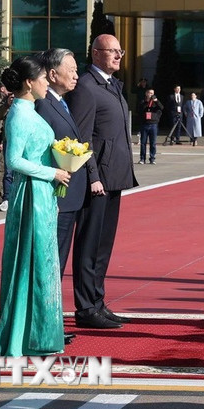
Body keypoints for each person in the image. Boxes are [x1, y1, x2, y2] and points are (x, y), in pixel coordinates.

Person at [0, 56, 71, 357]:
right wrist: (53, 172)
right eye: (43, 79)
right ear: (28, 82)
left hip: (42, 195)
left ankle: (39, 335)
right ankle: (24, 337)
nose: (47, 82)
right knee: (29, 264)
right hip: (31, 195)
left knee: (41, 264)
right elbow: (14, 161)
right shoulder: (19, 115)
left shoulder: (29, 110)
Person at [66, 34, 137, 330]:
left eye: (120, 50)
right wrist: (92, 176)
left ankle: (98, 302)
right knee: (89, 245)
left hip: (114, 177)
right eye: (113, 51)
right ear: (96, 54)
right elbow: (81, 137)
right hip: (97, 181)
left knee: (103, 246)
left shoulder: (111, 85)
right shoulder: (86, 87)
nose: (119, 55)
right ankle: (85, 308)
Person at [33, 48, 85, 348]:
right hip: (54, 197)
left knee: (57, 265)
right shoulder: (43, 106)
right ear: (53, 74)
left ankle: (51, 326)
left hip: (67, 197)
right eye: (72, 69)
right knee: (50, 266)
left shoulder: (61, 103)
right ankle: (44, 329)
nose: (76, 74)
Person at [137, 88, 162, 164]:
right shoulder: (142, 101)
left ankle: (152, 158)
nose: (151, 95)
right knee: (143, 143)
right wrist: (146, 103)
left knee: (153, 143)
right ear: (146, 93)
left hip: (153, 124)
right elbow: (140, 110)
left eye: (152, 93)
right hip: (145, 124)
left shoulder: (155, 102)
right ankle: (142, 159)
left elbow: (161, 108)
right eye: (149, 93)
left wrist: (156, 101)